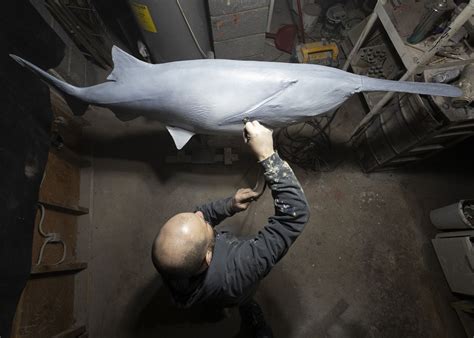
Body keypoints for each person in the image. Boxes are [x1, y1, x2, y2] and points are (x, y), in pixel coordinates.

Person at [152, 121, 310, 337]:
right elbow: (295, 215)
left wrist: (229, 205)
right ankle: (245, 310)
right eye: (205, 225)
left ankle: (216, 308)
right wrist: (268, 156)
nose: (200, 214)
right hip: (235, 290)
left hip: (201, 292)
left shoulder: (172, 262)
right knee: (242, 298)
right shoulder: (241, 267)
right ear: (208, 257)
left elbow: (200, 215)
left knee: (214, 299)